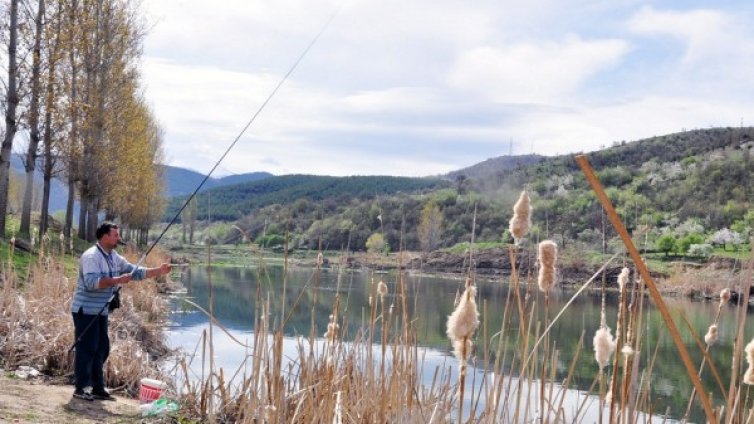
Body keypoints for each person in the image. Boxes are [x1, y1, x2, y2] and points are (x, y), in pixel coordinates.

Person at [70, 222, 171, 401]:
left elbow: (135, 272)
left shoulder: (113, 256)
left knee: (102, 348)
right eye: (116, 235)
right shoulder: (91, 257)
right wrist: (118, 279)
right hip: (85, 310)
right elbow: (92, 283)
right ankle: (81, 387)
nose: (119, 238)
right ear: (105, 237)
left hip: (101, 311)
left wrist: (158, 271)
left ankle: (97, 387)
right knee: (87, 348)